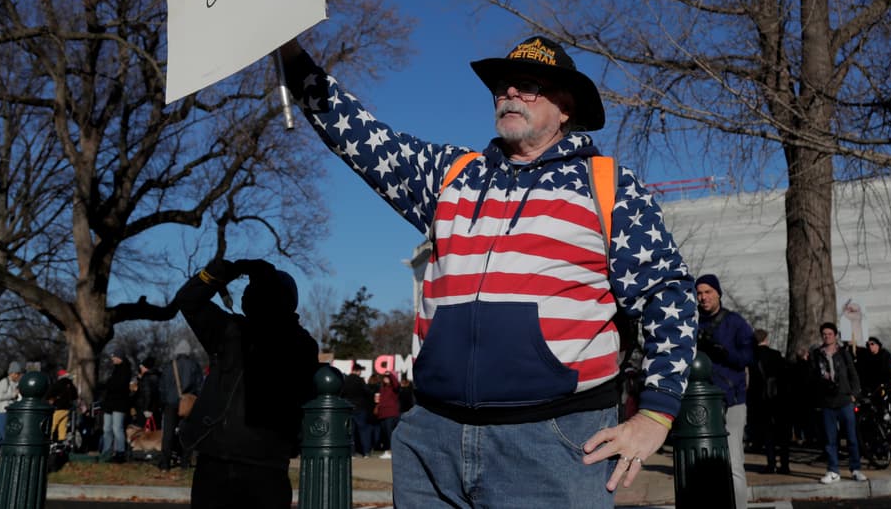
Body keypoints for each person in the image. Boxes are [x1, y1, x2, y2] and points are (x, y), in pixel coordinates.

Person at [279, 34, 696, 506]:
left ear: (565, 108)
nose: (510, 94)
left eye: (528, 86)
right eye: (503, 87)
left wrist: (656, 415)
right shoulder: (450, 175)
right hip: (430, 441)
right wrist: (291, 55)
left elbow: (668, 294)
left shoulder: (610, 187)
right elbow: (357, 133)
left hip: (553, 445)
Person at [175, 257, 319, 509]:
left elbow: (189, 300)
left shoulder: (241, 333)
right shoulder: (298, 343)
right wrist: (227, 273)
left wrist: (220, 275)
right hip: (246, 461)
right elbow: (187, 301)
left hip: (240, 460)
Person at [694, 273, 756, 506]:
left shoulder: (736, 322)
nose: (703, 297)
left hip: (732, 400)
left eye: (708, 292)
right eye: (699, 293)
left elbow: (748, 358)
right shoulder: (692, 323)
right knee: (704, 463)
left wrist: (723, 351)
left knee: (733, 462)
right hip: (702, 401)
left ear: (718, 293)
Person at [811, 321, 865, 485]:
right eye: (824, 334)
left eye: (830, 334)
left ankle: (855, 468)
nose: (827, 337)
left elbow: (853, 374)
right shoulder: (817, 354)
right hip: (827, 402)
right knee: (830, 439)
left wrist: (854, 394)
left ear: (835, 336)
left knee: (851, 437)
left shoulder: (843, 353)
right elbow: (812, 377)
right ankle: (833, 470)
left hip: (844, 400)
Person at [751, 328, 792, 474]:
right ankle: (785, 464)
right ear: (766, 339)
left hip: (761, 400)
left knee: (767, 434)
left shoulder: (752, 357)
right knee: (783, 435)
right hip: (778, 398)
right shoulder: (776, 355)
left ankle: (771, 463)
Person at [158, 340, 203, 472]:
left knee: (168, 434)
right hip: (188, 403)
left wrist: (163, 403)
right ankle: (185, 462)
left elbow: (162, 387)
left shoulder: (168, 366)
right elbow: (199, 385)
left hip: (170, 403)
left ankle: (165, 464)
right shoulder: (194, 365)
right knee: (187, 433)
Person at [99, 349, 132, 462]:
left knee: (117, 428)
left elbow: (119, 386)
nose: (112, 358)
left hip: (119, 404)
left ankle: (120, 452)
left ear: (120, 358)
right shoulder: (114, 370)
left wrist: (108, 385)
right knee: (106, 428)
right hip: (109, 404)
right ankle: (106, 451)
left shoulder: (126, 370)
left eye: (114, 357)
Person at [340, 362, 373, 457]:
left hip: (349, 408)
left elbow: (341, 393)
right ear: (358, 371)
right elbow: (368, 392)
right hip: (360, 408)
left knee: (350, 431)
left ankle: (351, 453)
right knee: (363, 431)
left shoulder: (346, 380)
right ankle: (366, 452)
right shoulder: (360, 380)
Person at [0, 362, 23, 456]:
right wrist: (13, 394)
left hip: (9, 411)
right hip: (2, 411)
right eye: (16, 373)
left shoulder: (16, 383)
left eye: (18, 374)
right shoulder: (4, 382)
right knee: (4, 432)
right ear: (11, 373)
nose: (18, 376)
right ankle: (6, 451)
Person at [374, 372, 401, 459]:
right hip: (383, 414)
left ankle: (392, 451)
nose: (385, 379)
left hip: (391, 414)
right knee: (386, 434)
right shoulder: (382, 388)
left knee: (390, 434)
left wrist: (390, 374)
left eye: (387, 377)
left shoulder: (393, 388)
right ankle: (388, 450)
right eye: (384, 377)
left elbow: (396, 384)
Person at [47, 368, 78, 443]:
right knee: (62, 426)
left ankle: (49, 440)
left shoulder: (58, 384)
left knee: (53, 425)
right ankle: (62, 441)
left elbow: (49, 394)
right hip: (67, 409)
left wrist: (50, 398)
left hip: (58, 407)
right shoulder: (70, 384)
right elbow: (75, 396)